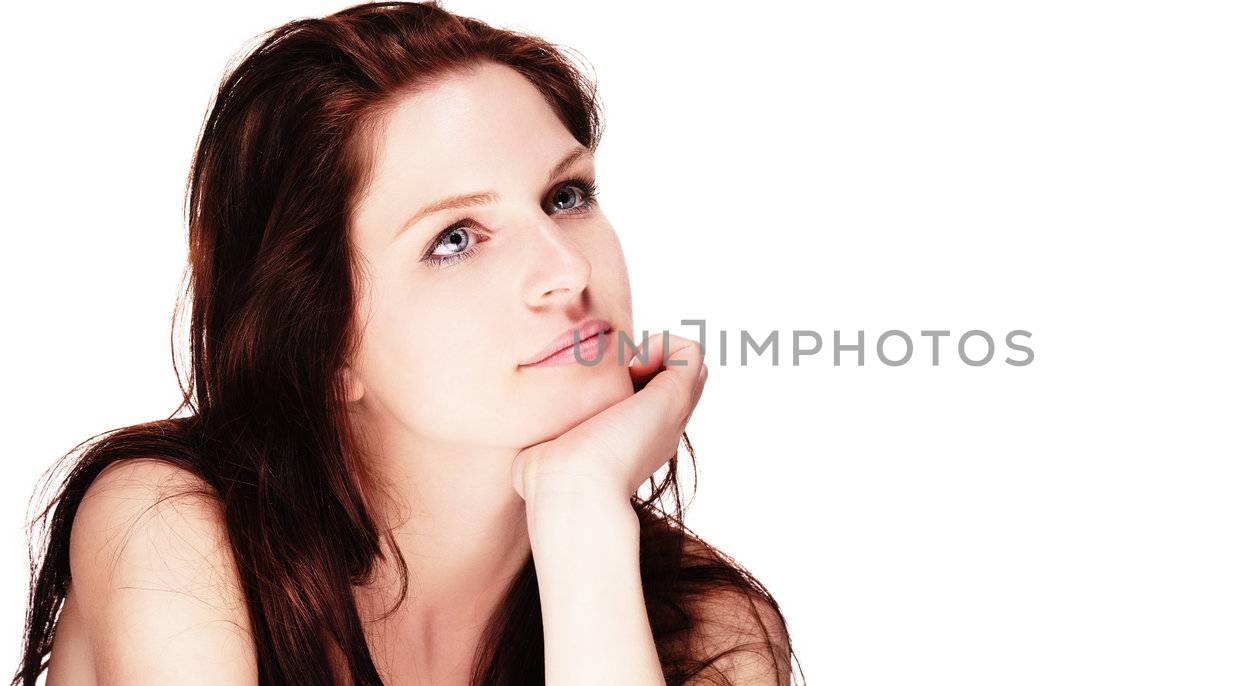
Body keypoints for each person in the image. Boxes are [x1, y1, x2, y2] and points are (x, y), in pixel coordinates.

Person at [12, 2, 799, 684]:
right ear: (327, 346)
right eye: (456, 238)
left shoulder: (709, 627)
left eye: (566, 196)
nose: (564, 272)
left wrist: (581, 513)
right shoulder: (168, 526)